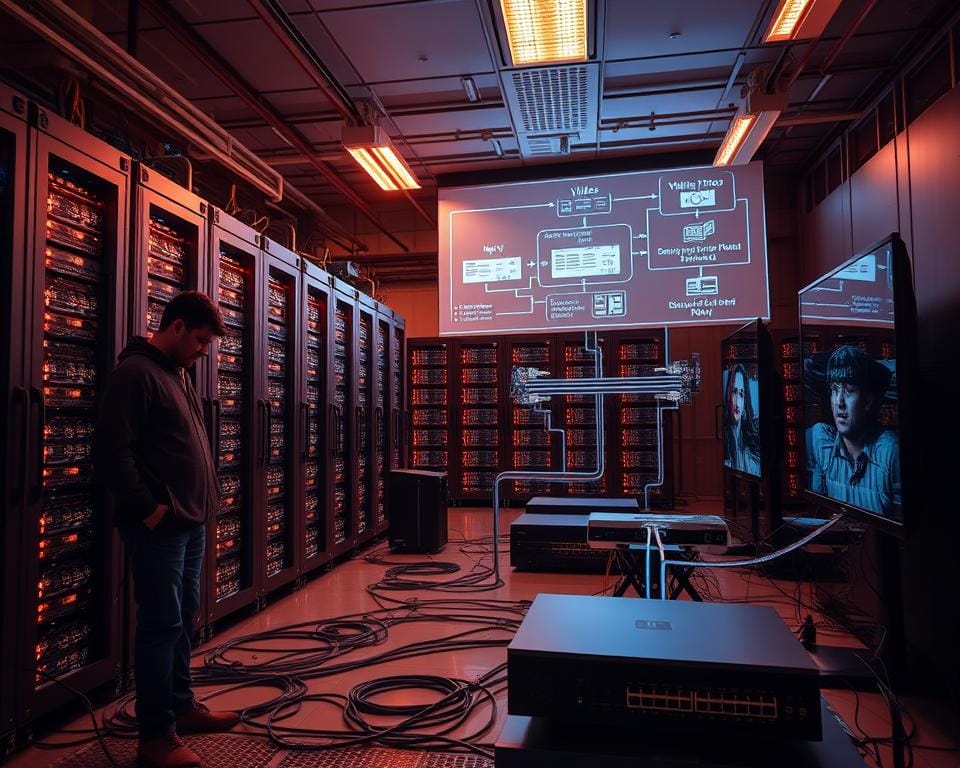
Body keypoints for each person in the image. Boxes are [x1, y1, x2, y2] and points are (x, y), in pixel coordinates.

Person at [96, 292, 238, 768]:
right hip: (161, 526)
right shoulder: (134, 375)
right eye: (200, 341)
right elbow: (113, 454)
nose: (204, 351)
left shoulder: (176, 373)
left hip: (189, 521)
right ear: (176, 327)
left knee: (183, 619)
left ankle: (180, 707)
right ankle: (155, 737)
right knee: (161, 625)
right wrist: (150, 510)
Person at [805, 344, 900, 519]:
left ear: (868, 401)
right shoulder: (822, 442)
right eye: (834, 390)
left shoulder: (890, 452)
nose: (839, 402)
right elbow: (809, 367)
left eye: (849, 391)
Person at [722, 362, 761, 475]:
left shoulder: (753, 459)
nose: (738, 402)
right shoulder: (724, 446)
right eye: (734, 392)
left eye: (741, 394)